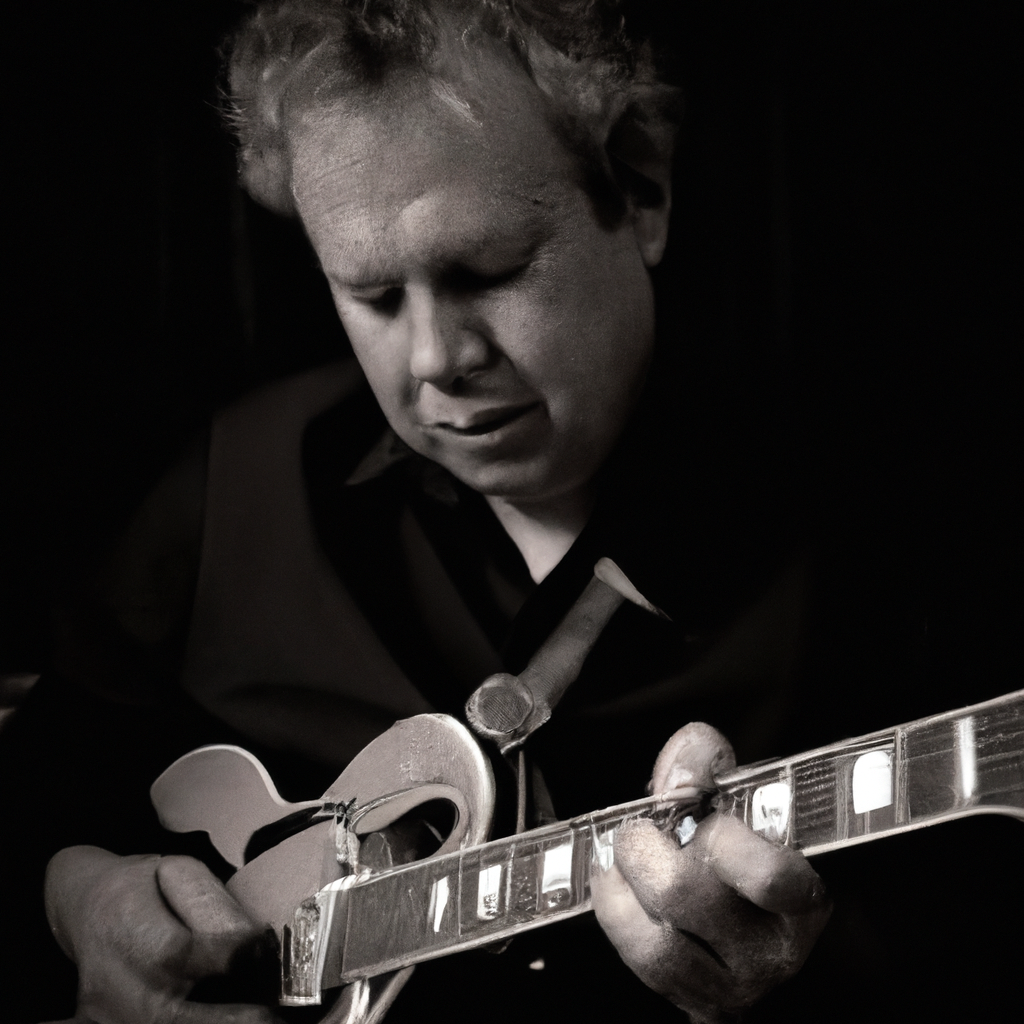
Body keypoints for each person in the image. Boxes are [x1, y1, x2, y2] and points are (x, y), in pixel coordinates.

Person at [1, 2, 1018, 1022]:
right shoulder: (243, 475)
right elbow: (42, 787)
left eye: (487, 271)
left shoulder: (892, 525)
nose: (438, 358)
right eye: (373, 296)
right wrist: (77, 901)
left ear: (640, 191)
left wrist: (803, 978)